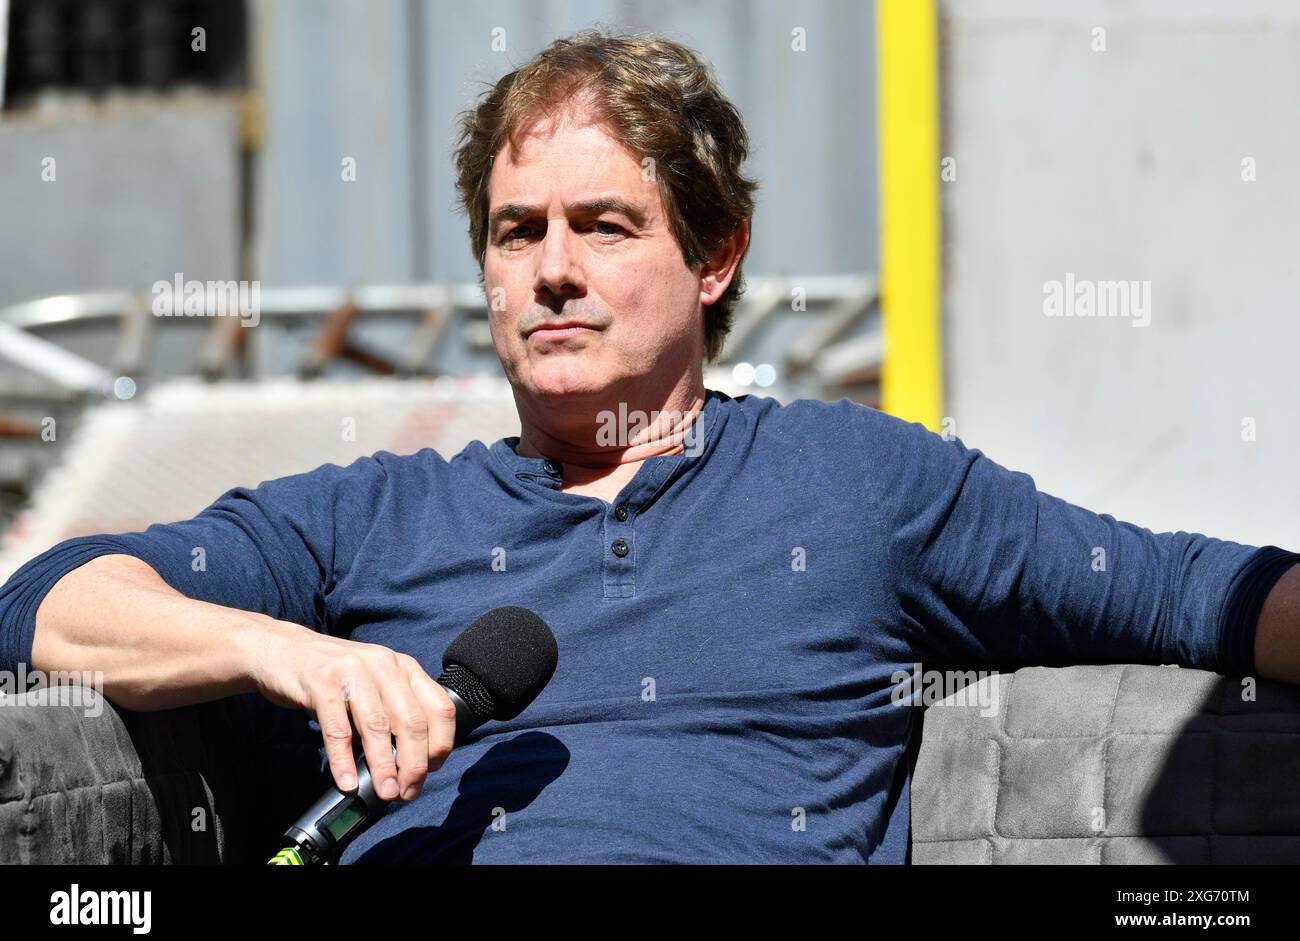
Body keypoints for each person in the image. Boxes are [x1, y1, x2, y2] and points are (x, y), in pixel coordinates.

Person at [2, 29, 1298, 863]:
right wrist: (274, 648)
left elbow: (1201, 592)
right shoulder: (371, 514)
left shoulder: (858, 482)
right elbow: (44, 604)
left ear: (714, 253)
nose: (554, 271)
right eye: (518, 232)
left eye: (605, 225)